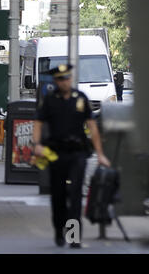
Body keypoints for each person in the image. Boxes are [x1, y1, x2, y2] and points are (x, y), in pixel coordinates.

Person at [32, 64, 111, 249]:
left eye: (67, 78)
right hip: (56, 154)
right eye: (60, 79)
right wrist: (36, 145)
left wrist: (100, 154)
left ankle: (74, 236)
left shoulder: (81, 99)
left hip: (77, 153)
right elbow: (37, 122)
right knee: (58, 196)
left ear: (71, 78)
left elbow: (92, 127)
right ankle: (59, 230)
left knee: (75, 195)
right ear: (55, 81)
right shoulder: (50, 100)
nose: (65, 82)